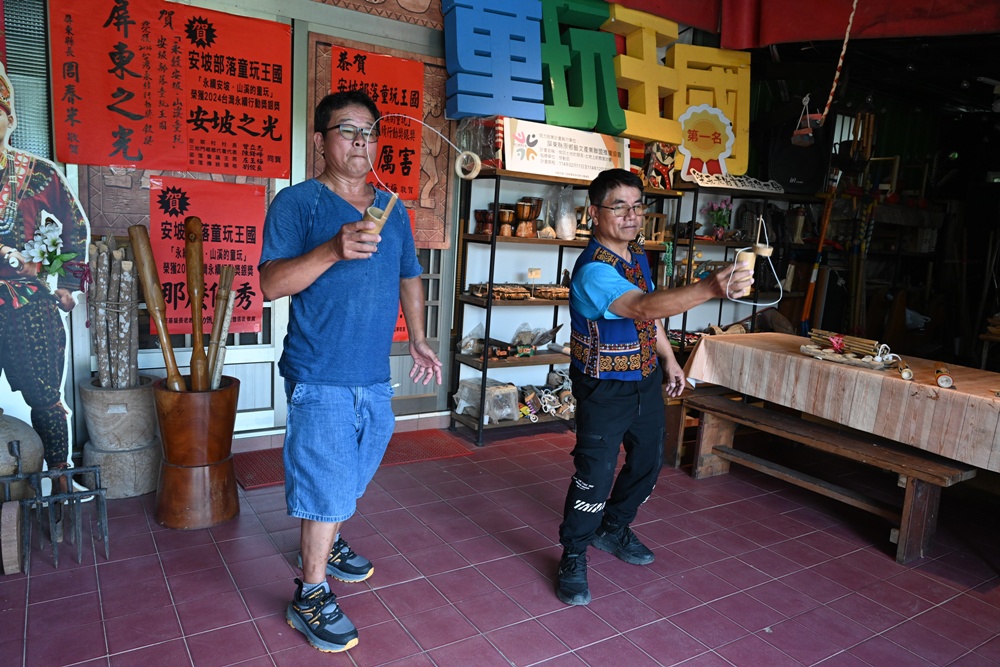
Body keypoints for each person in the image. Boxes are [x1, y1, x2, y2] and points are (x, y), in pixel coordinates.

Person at [259, 89, 442, 653]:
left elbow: (409, 274)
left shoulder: (393, 208)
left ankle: (329, 534)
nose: (362, 141)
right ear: (320, 140)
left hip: (371, 371)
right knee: (328, 480)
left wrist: (417, 337)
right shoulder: (297, 204)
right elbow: (270, 286)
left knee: (356, 467)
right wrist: (333, 250)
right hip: (320, 371)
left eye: (370, 131)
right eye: (347, 130)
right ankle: (309, 593)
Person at [555, 168, 752, 606]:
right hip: (603, 387)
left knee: (648, 462)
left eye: (638, 205)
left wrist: (669, 359)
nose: (631, 215)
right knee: (595, 474)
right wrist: (707, 288)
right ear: (594, 213)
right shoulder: (593, 271)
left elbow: (648, 318)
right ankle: (573, 552)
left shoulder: (637, 254)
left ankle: (614, 527)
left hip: (643, 379)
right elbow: (641, 304)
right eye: (618, 206)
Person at [0, 63, 88, 474]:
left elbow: (75, 227)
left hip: (29, 304)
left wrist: (66, 281)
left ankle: (61, 479)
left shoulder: (37, 174)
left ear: (10, 117)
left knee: (46, 398)